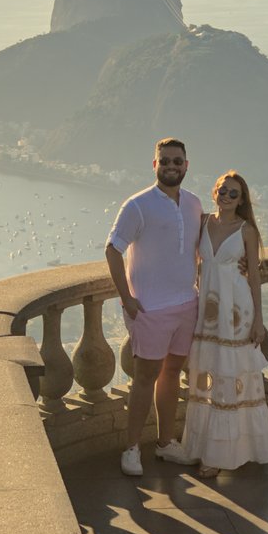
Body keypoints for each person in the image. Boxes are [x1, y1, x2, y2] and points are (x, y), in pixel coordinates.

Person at [105, 137, 201, 476]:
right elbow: (112, 250)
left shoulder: (193, 204)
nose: (171, 166)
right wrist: (127, 298)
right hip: (150, 310)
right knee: (145, 378)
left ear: (186, 165)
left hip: (186, 304)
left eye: (177, 161)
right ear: (154, 164)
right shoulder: (137, 205)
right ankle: (131, 449)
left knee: (172, 375)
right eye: (165, 161)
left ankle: (165, 444)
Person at [181, 170, 268, 477]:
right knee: (207, 376)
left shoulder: (246, 230)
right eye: (222, 191)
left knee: (229, 376)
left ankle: (220, 454)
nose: (226, 197)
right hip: (208, 311)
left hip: (237, 312)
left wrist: (258, 320)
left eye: (233, 193)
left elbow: (255, 276)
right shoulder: (203, 223)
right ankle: (202, 447)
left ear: (242, 199)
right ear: (214, 193)